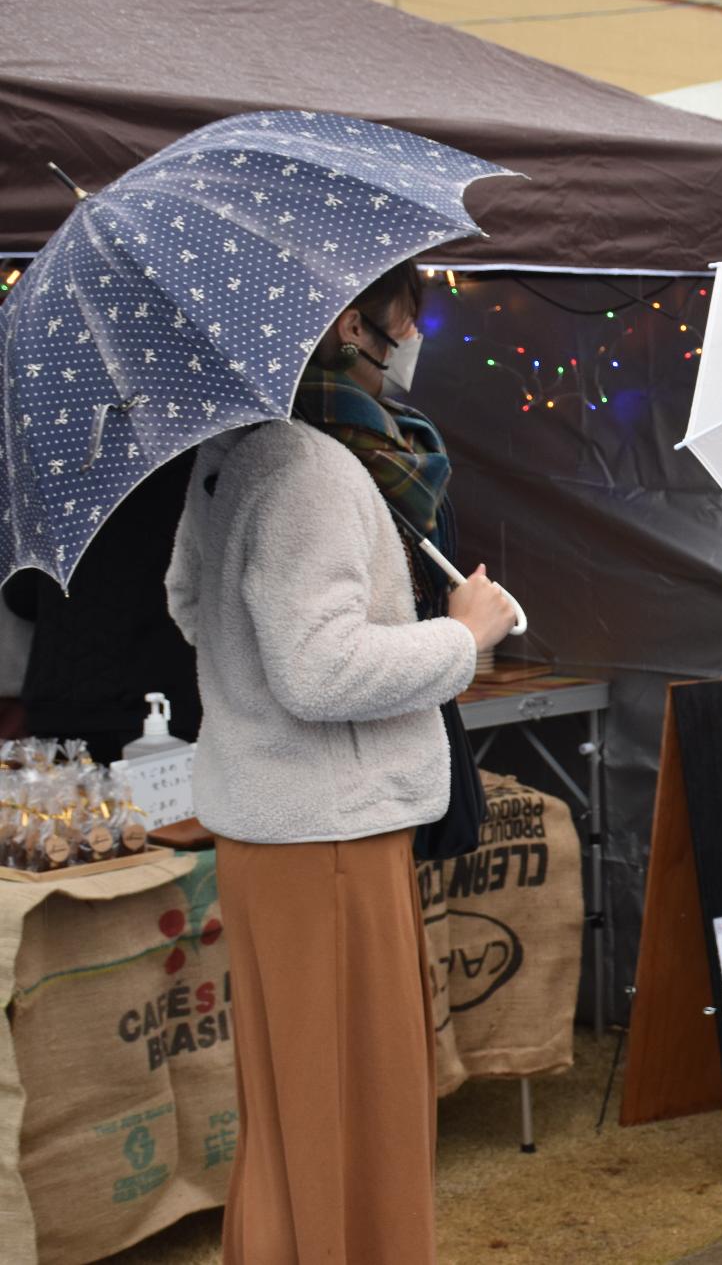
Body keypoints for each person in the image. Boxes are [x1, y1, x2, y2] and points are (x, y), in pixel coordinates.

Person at [165, 262, 515, 1264]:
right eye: (405, 303)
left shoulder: (230, 454)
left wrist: (247, 684)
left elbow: (188, 604)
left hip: (276, 824)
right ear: (348, 319)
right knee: (353, 1109)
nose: (412, 325)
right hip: (326, 831)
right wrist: (460, 636)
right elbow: (318, 671)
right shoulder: (312, 466)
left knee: (293, 1110)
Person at [3, 450, 202, 762]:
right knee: (169, 807)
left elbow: (22, 595)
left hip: (64, 696)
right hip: (167, 690)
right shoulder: (190, 456)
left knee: (74, 807)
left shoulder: (57, 461)